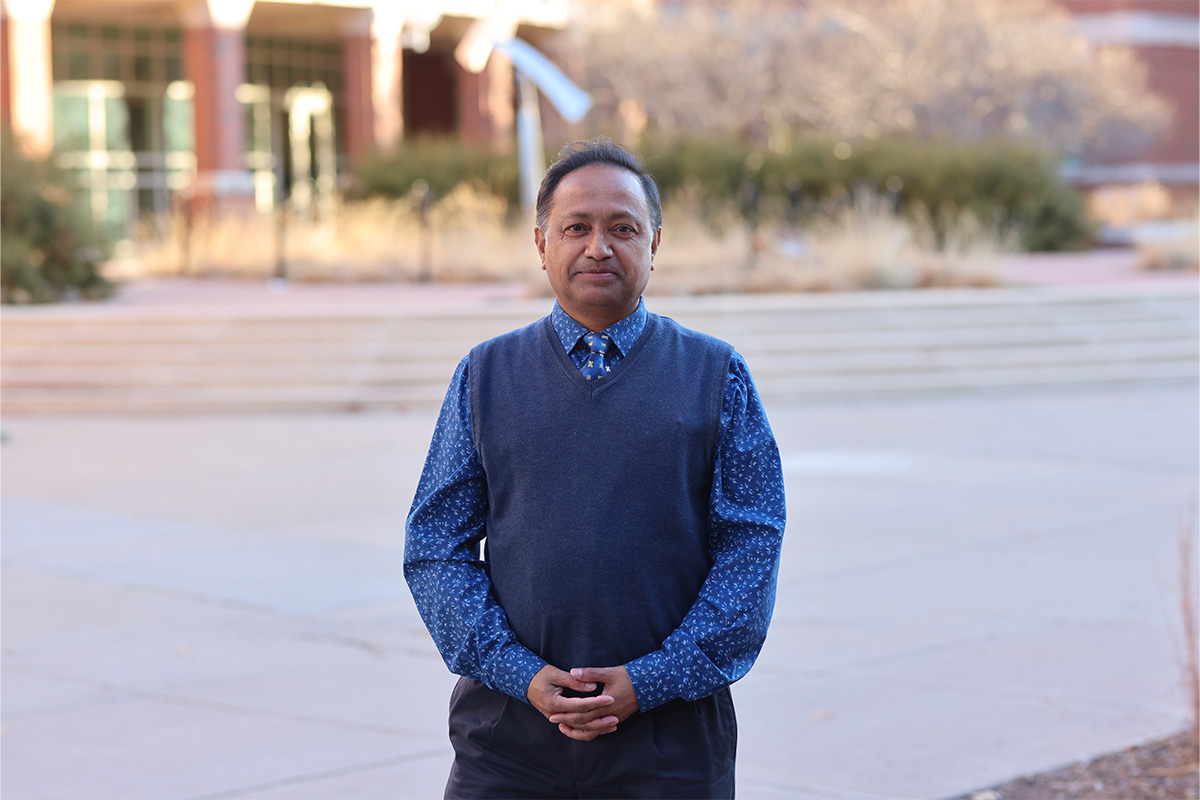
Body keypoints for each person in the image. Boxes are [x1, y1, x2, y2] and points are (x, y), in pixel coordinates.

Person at [405, 138, 786, 799]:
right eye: (576, 227)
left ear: (655, 244)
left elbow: (751, 545)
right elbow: (436, 544)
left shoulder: (715, 375)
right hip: (507, 743)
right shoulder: (485, 375)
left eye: (623, 229)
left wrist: (652, 681)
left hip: (670, 746)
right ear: (541, 242)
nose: (598, 247)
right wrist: (519, 672)